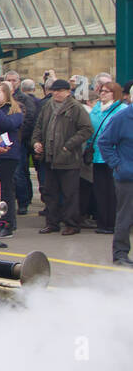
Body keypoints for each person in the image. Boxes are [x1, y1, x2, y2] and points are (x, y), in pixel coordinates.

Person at [34, 80, 94, 235]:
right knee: (50, 193)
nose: (56, 93)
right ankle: (52, 223)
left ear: (68, 91)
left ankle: (72, 224)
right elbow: (39, 127)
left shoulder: (76, 108)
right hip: (49, 158)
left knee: (70, 194)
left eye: (59, 91)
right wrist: (36, 142)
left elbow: (87, 129)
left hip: (69, 159)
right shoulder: (47, 106)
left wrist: (69, 145)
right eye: (54, 91)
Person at [96, 92, 133, 266]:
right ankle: (120, 254)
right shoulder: (123, 117)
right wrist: (118, 165)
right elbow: (104, 142)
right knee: (125, 216)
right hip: (127, 176)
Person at [89, 81, 125, 234]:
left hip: (114, 157)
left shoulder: (122, 110)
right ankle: (102, 223)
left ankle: (113, 223)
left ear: (114, 94)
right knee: (100, 191)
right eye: (101, 91)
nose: (102, 93)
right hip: (97, 156)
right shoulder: (96, 109)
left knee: (113, 192)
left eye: (107, 91)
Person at [0, 80, 24, 239]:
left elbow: (6, 125)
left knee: (5, 189)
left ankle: (8, 223)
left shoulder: (14, 111)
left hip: (8, 155)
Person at [15, 77, 41, 214]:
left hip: (23, 141)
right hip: (22, 141)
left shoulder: (24, 100)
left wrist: (22, 137)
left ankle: (24, 201)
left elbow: (30, 120)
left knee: (21, 172)